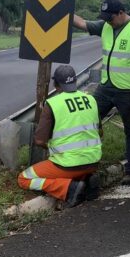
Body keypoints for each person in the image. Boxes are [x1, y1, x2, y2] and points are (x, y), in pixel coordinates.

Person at [73, 0, 130, 184]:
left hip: (128, 90)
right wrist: (63, 11)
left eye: (110, 17)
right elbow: (82, 23)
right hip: (106, 86)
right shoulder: (105, 26)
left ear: (121, 13)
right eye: (105, 18)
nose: (108, 21)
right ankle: (85, 160)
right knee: (90, 118)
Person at [18, 64, 102, 208]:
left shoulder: (53, 104)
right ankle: (87, 180)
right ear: (75, 81)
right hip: (93, 162)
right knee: (77, 168)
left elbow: (39, 140)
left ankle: (69, 188)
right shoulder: (91, 99)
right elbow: (100, 133)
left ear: (55, 84)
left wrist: (52, 147)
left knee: (24, 178)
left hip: (67, 165)